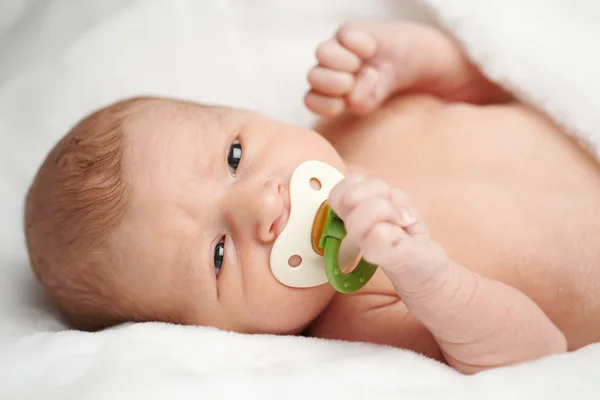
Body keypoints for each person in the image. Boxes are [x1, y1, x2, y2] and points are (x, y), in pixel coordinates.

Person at [25, 21, 600, 374]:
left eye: (233, 158)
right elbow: (535, 354)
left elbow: (488, 83)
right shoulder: (359, 313)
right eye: (219, 254)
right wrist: (435, 282)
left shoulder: (355, 115)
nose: (264, 206)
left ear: (248, 115)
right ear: (210, 334)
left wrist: (410, 61)